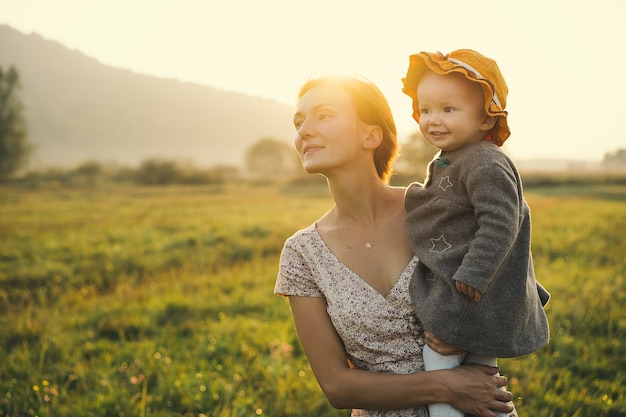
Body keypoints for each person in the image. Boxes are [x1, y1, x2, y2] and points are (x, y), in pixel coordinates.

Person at [274, 74, 517, 417]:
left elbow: (510, 290)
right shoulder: (301, 254)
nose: (304, 130)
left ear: (371, 135)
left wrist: (469, 333)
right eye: (299, 122)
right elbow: (336, 387)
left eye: (324, 115)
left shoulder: (437, 209)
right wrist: (447, 385)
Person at [401, 49, 551, 417]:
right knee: (484, 381)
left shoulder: (486, 162)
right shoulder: (453, 157)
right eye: (426, 109)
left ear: (487, 119)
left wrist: (474, 271)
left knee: (440, 360)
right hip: (476, 293)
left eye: (448, 110)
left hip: (471, 288)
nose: (433, 120)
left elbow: (502, 220)